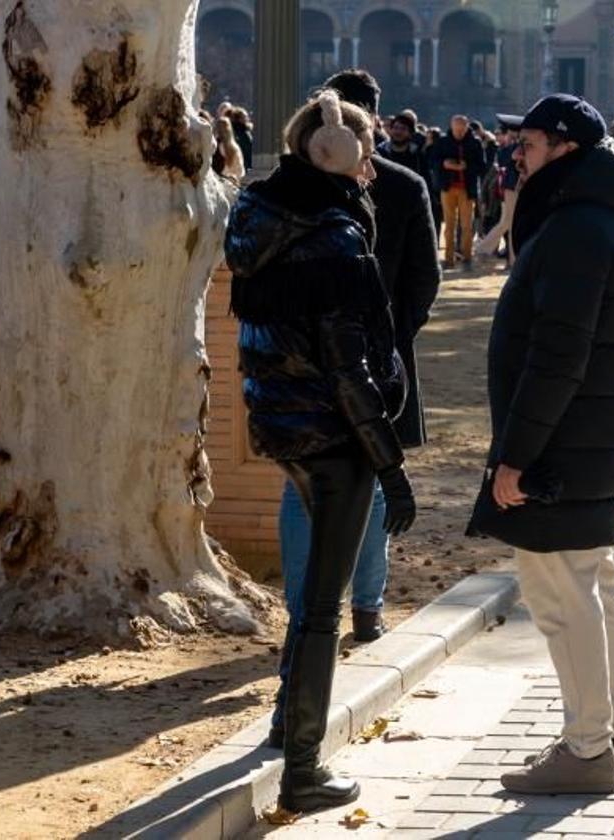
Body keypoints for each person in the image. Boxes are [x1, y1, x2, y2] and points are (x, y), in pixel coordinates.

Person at [226, 89, 415, 814]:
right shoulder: (334, 239)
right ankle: (303, 769)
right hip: (335, 439)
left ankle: (286, 722)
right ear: (340, 156)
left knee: (309, 601)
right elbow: (349, 369)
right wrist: (390, 465)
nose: (374, 164)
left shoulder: (261, 217)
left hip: (284, 428)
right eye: (367, 151)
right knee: (319, 612)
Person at [467, 94, 614, 795]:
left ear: (568, 149)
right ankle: (605, 735)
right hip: (585, 443)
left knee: (562, 599)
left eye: (532, 144)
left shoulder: (576, 230)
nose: (518, 154)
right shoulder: (603, 220)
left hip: (561, 451)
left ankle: (585, 749)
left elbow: (557, 358)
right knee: (592, 587)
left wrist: (514, 458)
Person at [433, 114, 486, 268]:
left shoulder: (475, 143)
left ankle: (467, 258)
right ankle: (449, 260)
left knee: (467, 226)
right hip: (447, 188)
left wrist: (466, 166)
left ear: (467, 127)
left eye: (462, 129)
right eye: (456, 129)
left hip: (467, 189)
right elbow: (433, 161)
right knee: (449, 226)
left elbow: (482, 166)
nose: (459, 132)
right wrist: (444, 164)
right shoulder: (443, 142)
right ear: (451, 126)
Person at [477, 120, 521, 263]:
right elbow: (504, 161)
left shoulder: (516, 146)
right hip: (511, 187)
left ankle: (512, 258)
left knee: (511, 223)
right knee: (507, 221)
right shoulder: (507, 148)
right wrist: (513, 143)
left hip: (515, 187)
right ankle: (483, 248)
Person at [376, 112, 426, 180]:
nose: (398, 132)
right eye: (396, 128)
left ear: (410, 133)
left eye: (403, 129)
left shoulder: (418, 156)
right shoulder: (380, 152)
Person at [211, 115, 245, 181]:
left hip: (218, 182)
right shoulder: (235, 147)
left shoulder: (213, 146)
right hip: (233, 182)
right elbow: (240, 171)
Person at [228, 106, 253, 171]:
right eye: (245, 117)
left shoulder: (245, 130)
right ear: (238, 119)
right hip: (243, 163)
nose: (247, 118)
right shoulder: (240, 132)